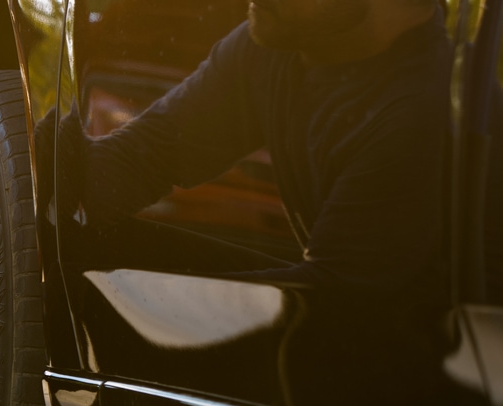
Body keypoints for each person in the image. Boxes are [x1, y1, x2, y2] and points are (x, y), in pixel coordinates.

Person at [65, 0, 453, 297]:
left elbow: (334, 307)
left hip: (406, 353)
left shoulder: (422, 109)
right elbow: (138, 160)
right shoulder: (277, 45)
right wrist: (44, 158)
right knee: (74, 246)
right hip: (341, 314)